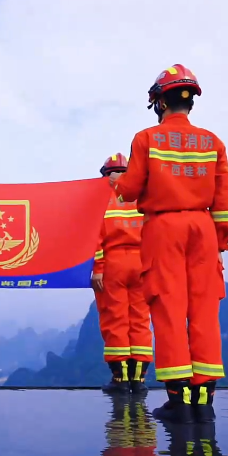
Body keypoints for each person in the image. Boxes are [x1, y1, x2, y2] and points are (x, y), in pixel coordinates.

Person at [110, 64, 228, 424]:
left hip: (164, 229)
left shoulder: (146, 138)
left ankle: (179, 400)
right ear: (190, 101)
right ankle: (204, 400)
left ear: (160, 103)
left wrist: (116, 185)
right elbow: (223, 200)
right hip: (203, 229)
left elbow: (131, 188)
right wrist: (219, 243)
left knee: (168, 309)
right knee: (205, 311)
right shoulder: (213, 142)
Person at [93, 153, 153, 395]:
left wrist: (98, 269)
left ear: (105, 174)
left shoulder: (100, 199)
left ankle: (120, 379)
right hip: (141, 263)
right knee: (140, 320)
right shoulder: (142, 197)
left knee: (114, 319)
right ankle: (138, 380)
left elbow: (95, 237)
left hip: (113, 264)